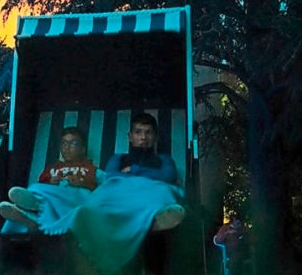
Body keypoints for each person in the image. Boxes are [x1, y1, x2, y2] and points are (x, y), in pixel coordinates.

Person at [28, 113, 185, 274]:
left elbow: (167, 176)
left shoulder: (164, 159)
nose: (143, 137)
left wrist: (133, 170)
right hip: (121, 196)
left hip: (149, 192)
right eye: (138, 132)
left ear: (155, 137)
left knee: (163, 190)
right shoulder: (119, 158)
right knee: (102, 197)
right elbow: (111, 176)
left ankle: (156, 214)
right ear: (130, 137)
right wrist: (141, 174)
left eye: (148, 132)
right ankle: (152, 218)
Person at [0, 127, 104, 231]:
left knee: (84, 195)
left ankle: (33, 212)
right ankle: (31, 215)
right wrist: (50, 182)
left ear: (82, 149)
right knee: (35, 187)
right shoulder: (51, 169)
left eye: (73, 143)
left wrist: (83, 183)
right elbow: (41, 185)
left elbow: (109, 187)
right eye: (64, 143)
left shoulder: (92, 170)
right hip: (52, 199)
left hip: (75, 200)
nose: (67, 147)